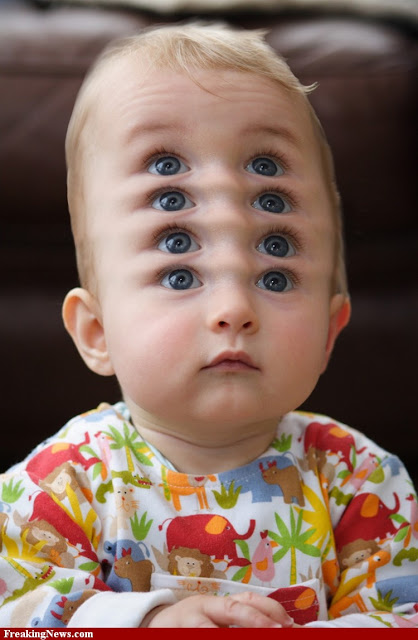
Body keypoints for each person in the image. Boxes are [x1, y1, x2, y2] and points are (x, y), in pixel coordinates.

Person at [0, 22, 416, 629]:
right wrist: (145, 622)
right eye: (179, 274)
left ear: (330, 333)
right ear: (96, 332)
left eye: (275, 273)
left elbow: (402, 614)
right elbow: (19, 619)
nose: (234, 310)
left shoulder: (363, 482)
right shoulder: (55, 488)